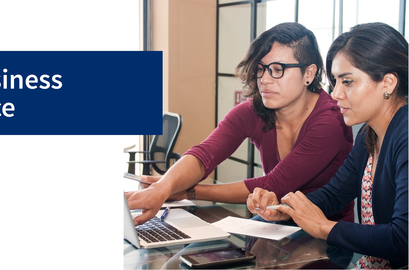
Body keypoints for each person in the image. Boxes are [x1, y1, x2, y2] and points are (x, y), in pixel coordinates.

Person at [126, 22, 354, 226]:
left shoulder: (331, 119)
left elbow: (274, 183)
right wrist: (165, 186)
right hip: (273, 223)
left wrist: (188, 192)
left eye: (277, 70)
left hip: (327, 236)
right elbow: (205, 153)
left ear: (309, 73)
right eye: (261, 69)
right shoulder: (254, 110)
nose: (264, 79)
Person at [248, 22, 408, 268]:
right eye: (335, 81)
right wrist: (285, 209)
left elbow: (403, 239)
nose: (335, 94)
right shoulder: (370, 134)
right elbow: (334, 195)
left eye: (348, 81)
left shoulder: (406, 134)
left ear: (387, 83)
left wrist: (324, 227)